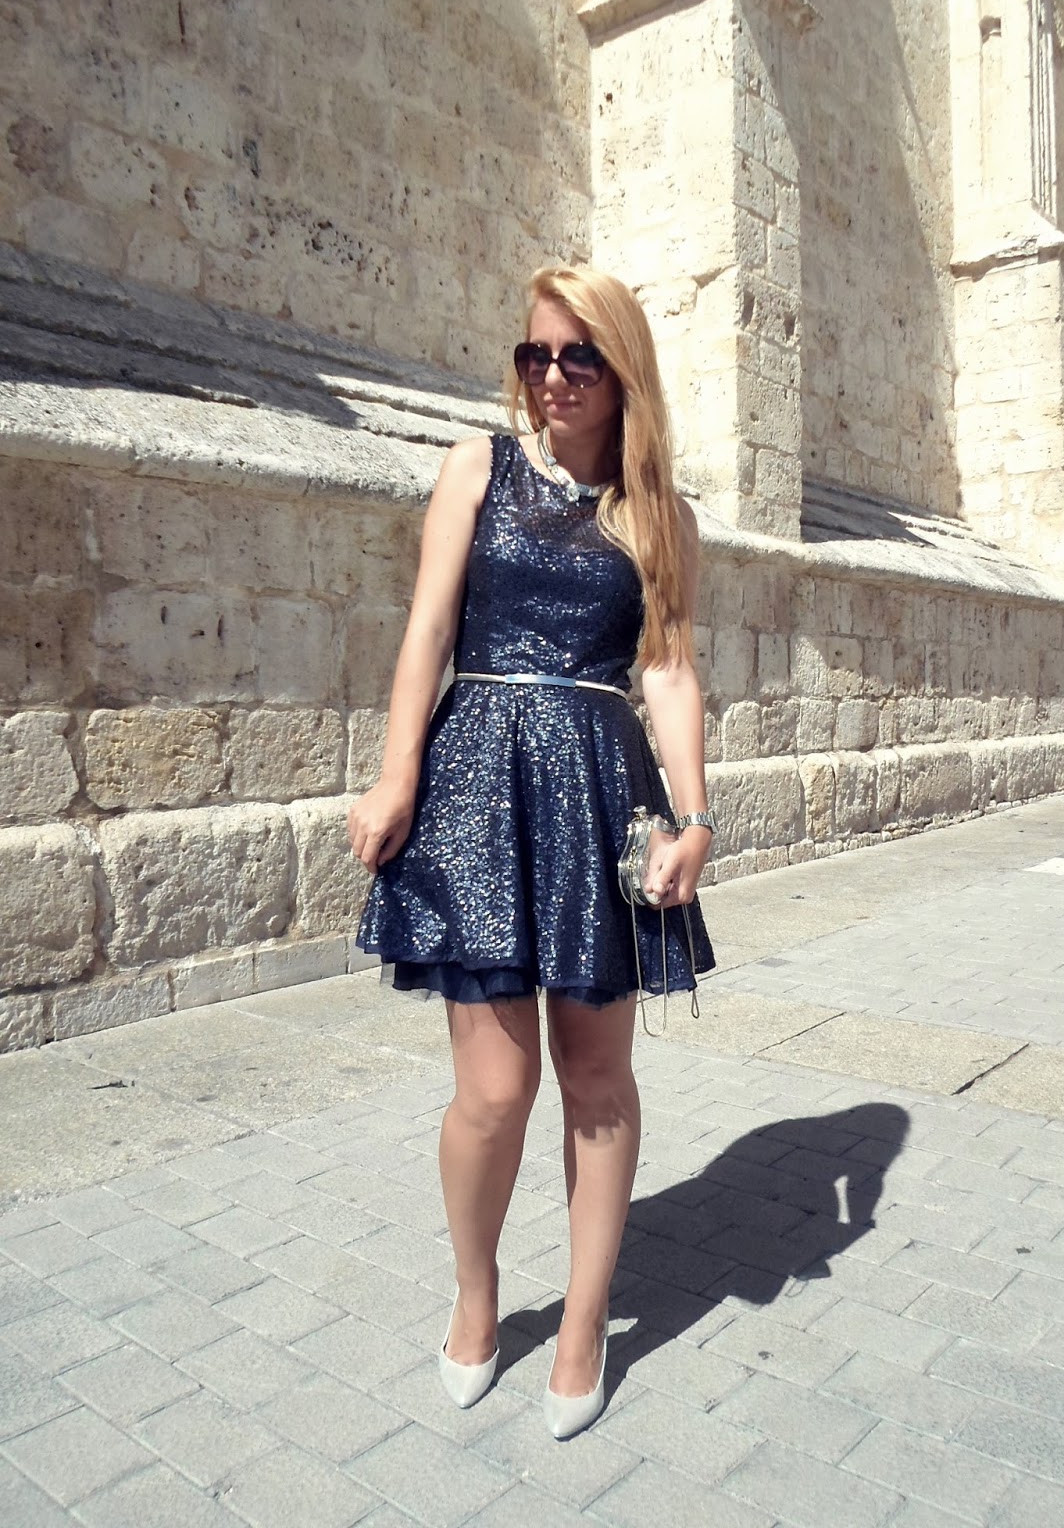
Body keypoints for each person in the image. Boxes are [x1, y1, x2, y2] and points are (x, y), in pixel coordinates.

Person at [347, 265, 716, 1439]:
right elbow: (430, 627)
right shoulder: (478, 469)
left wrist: (696, 816)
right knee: (494, 1091)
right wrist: (397, 771)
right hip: (479, 786)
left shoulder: (659, 515)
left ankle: (584, 1321)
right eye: (535, 355)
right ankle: (477, 1291)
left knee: (597, 1080)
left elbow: (668, 670)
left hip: (603, 791)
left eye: (578, 356)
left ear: (622, 369)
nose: (553, 377)